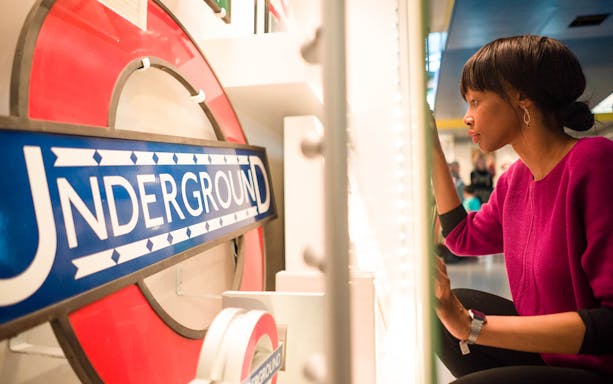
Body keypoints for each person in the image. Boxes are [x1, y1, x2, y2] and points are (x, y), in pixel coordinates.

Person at [431, 35, 613, 383]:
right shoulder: (516, 179)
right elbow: (460, 236)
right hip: (550, 354)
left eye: (475, 101)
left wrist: (473, 327)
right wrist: (434, 152)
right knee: (444, 309)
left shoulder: (593, 163)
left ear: (521, 97)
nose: (467, 117)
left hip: (594, 364)